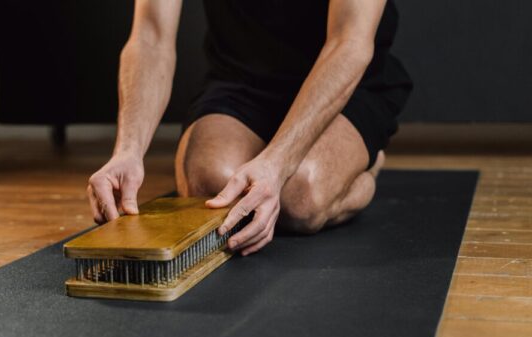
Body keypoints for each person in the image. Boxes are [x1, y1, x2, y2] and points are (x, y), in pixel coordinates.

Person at [87, 0, 412, 256]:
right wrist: (128, 149)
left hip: (341, 83)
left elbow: (349, 43)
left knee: (300, 197)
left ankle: (366, 170)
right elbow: (150, 35)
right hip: (244, 79)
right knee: (207, 187)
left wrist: (277, 162)